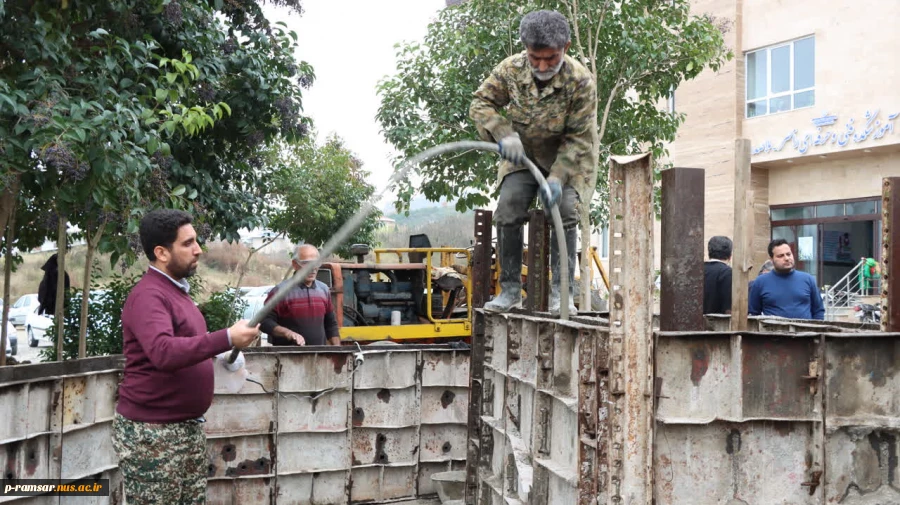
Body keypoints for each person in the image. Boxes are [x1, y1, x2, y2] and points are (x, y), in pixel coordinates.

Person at [113, 209, 260, 504]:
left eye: (196, 241)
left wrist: (220, 359)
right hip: (154, 435)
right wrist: (226, 338)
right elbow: (163, 352)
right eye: (188, 243)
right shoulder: (149, 295)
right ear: (161, 253)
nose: (198, 250)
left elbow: (186, 348)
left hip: (185, 428)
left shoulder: (176, 293)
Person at [469, 9, 597, 314]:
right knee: (509, 207)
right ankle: (511, 290)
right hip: (521, 154)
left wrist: (556, 177)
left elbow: (579, 138)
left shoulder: (580, 81)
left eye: (550, 58)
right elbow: (480, 103)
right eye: (534, 57)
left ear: (565, 48)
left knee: (564, 211)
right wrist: (502, 132)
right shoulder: (510, 70)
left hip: (567, 156)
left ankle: (561, 293)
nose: (541, 66)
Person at [260, 244, 340, 346]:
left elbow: (331, 325)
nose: (313, 268)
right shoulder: (280, 292)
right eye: (306, 263)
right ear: (295, 264)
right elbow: (265, 322)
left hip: (319, 358)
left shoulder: (323, 290)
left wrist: (338, 352)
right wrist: (288, 333)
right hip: (289, 359)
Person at [749, 238, 825, 320]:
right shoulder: (760, 282)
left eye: (788, 254)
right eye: (780, 256)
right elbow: (753, 314)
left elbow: (818, 311)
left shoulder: (808, 279)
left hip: (806, 332)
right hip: (773, 331)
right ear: (771, 260)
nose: (786, 258)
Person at [703, 236, 733, 314]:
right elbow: (729, 307)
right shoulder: (728, 273)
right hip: (718, 323)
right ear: (730, 255)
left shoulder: (698, 271)